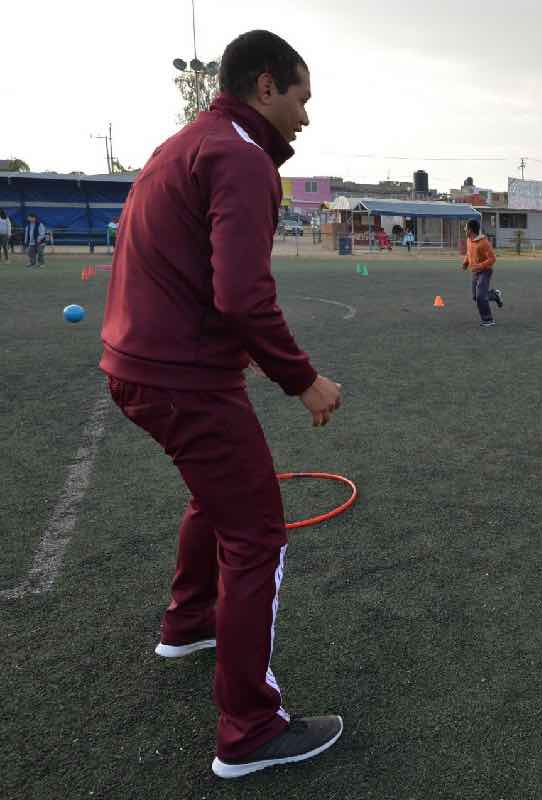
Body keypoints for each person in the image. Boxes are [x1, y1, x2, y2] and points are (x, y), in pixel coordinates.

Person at [99, 30, 345, 779]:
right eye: (302, 97)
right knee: (257, 532)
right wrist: (303, 379)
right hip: (183, 375)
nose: (306, 116)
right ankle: (249, 728)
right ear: (266, 86)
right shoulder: (239, 156)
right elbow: (240, 295)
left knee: (218, 500)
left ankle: (189, 620)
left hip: (143, 365)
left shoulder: (191, 143)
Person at [462, 218, 501, 326]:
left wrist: (480, 265)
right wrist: (465, 262)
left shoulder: (484, 242)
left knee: (480, 296)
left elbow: (492, 259)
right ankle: (494, 295)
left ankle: (488, 320)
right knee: (476, 296)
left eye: (466, 228)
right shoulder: (469, 240)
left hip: (485, 271)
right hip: (475, 272)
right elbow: (469, 253)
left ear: (470, 230)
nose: (464, 230)